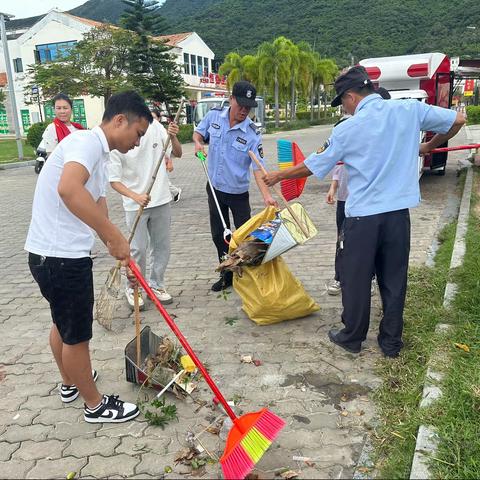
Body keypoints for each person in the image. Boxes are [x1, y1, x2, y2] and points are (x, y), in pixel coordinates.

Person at [263, 66, 465, 358]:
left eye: (342, 102)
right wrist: (428, 146)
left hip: (363, 219)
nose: (344, 107)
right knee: (394, 279)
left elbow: (314, 164)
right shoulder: (409, 110)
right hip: (398, 216)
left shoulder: (347, 128)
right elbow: (457, 119)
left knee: (356, 278)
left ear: (351, 96)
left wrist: (279, 177)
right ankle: (391, 342)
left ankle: (352, 337)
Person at [25, 91, 153, 423]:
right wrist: (112, 236)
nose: (137, 143)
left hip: (50, 254)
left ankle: (71, 382)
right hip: (60, 257)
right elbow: (68, 189)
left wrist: (120, 249)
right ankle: (95, 405)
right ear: (120, 120)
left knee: (62, 322)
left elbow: (96, 203)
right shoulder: (86, 142)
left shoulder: (98, 152)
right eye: (137, 133)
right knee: (77, 333)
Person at [193, 80, 276, 291]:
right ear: (231, 99)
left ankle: (247, 276)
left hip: (238, 194)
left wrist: (266, 196)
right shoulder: (214, 116)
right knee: (218, 235)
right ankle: (227, 275)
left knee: (243, 237)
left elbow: (258, 168)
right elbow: (198, 133)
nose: (244, 111)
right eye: (241, 105)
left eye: (248, 107)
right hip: (214, 188)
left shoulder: (252, 133)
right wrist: (197, 143)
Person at [109, 109, 182, 308]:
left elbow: (177, 152)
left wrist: (173, 137)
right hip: (135, 205)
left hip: (161, 199)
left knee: (162, 247)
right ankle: (134, 288)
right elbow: (114, 180)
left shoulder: (156, 128)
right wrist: (136, 196)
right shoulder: (117, 142)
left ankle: (156, 284)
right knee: (138, 249)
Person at [326, 86, 391, 296]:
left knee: (368, 246)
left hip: (368, 203)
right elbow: (335, 162)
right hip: (345, 198)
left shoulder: (385, 135)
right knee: (342, 240)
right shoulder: (346, 127)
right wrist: (333, 187)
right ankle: (340, 277)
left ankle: (368, 279)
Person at [151, 109, 183, 203]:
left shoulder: (163, 131)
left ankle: (176, 191)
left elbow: (172, 151)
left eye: (153, 118)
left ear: (159, 118)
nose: (151, 120)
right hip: (152, 163)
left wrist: (169, 162)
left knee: (162, 180)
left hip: (162, 161)